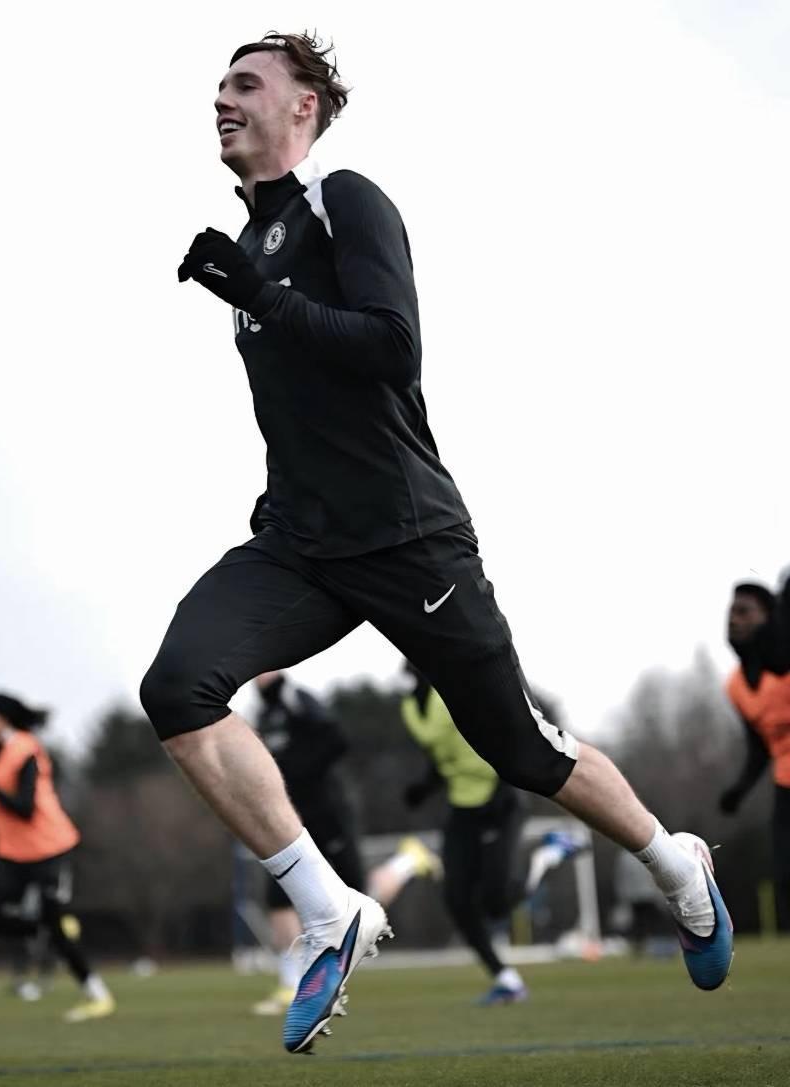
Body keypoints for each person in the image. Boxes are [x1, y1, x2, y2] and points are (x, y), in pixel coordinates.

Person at [139, 32, 732, 1054]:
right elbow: (307, 412)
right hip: (301, 544)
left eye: (246, 84)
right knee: (177, 689)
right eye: (219, 86)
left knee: (519, 748)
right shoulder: (253, 246)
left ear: (305, 106)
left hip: (408, 538)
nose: (221, 100)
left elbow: (392, 346)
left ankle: (677, 866)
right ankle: (329, 909)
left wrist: (262, 296)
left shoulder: (344, 201)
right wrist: (280, 460)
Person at [251, 671, 439, 1015]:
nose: (257, 676)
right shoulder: (264, 714)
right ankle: (291, 984)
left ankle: (409, 862)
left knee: (357, 899)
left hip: (327, 814)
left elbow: (336, 740)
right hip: (288, 817)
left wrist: (299, 772)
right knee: (278, 897)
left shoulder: (296, 699)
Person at [400, 662, 581, 1004]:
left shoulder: (455, 685)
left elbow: (494, 729)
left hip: (500, 800)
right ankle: (505, 979)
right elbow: (442, 756)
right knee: (456, 899)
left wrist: (509, 776)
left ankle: (547, 855)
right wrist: (424, 788)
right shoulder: (411, 707)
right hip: (462, 807)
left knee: (496, 903)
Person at [0, 692, 114, 1022]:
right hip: (11, 852)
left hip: (49, 848)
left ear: (3, 718)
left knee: (56, 927)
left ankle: (97, 994)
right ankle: (42, 931)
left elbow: (24, 808)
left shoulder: (26, 750)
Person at [719, 576, 790, 928]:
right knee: (785, 873)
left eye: (745, 612)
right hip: (786, 783)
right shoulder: (736, 686)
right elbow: (760, 747)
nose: (735, 619)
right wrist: (740, 789)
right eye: (732, 612)